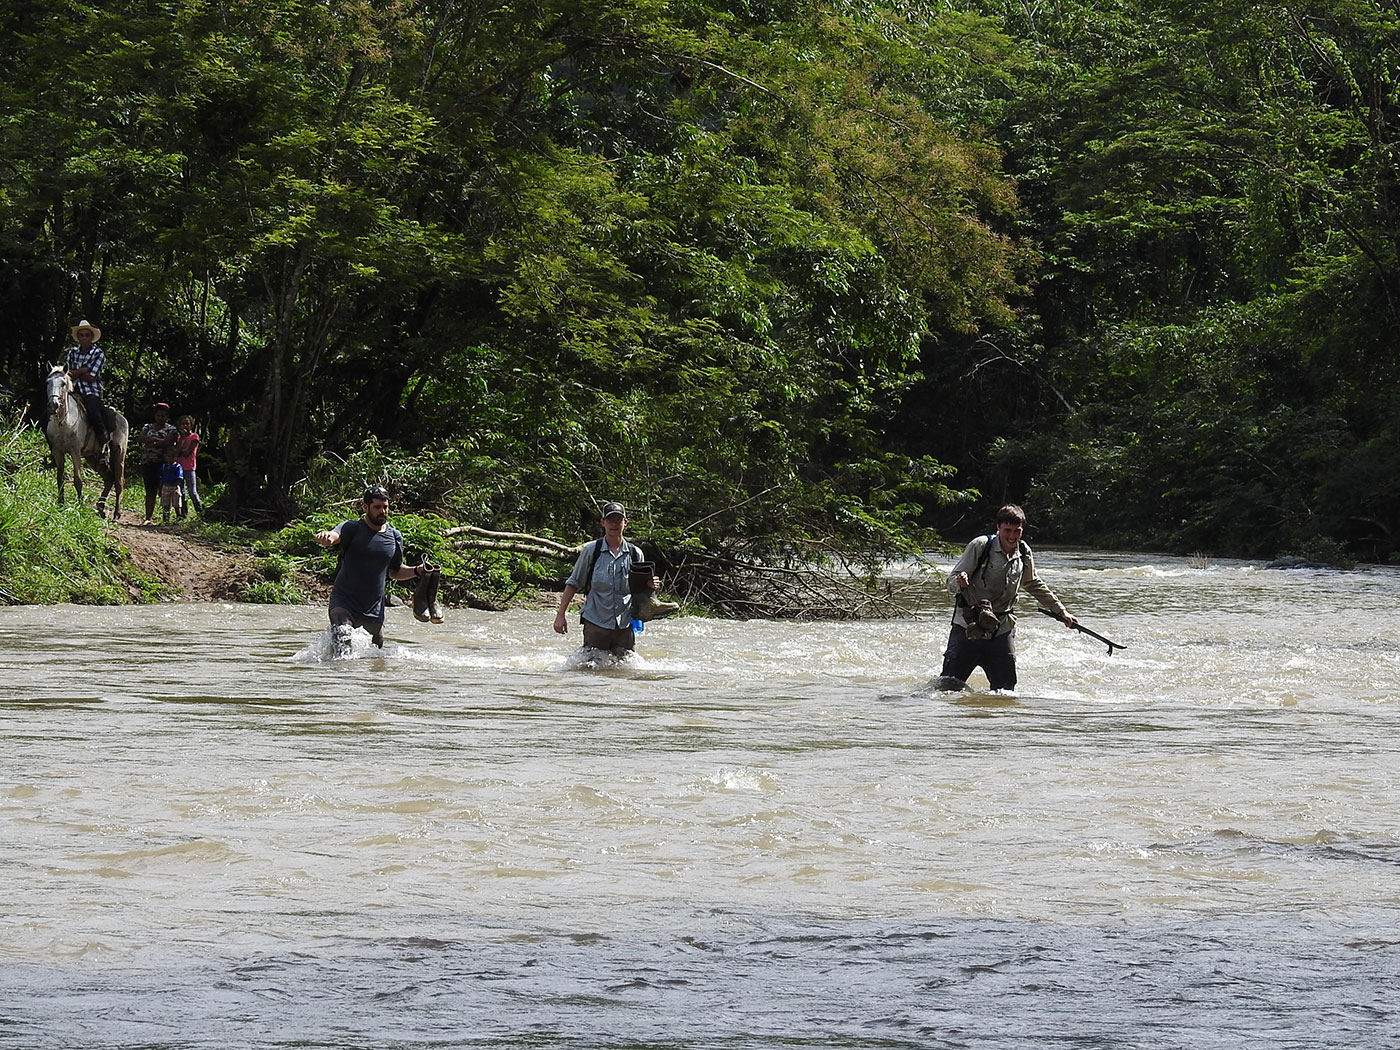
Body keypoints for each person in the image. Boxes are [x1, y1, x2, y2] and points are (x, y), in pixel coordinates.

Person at [938, 503, 1078, 692]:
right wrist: (960, 582)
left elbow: (1032, 583)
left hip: (1001, 630)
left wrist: (1061, 611)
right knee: (947, 688)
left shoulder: (1024, 552)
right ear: (998, 527)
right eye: (1007, 530)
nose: (1012, 536)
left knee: (1005, 693)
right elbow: (950, 582)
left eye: (1017, 531)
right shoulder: (980, 546)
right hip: (968, 628)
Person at [314, 485, 432, 654]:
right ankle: (335, 671)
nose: (382, 511)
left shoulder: (394, 536)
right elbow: (334, 536)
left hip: (373, 608)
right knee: (342, 640)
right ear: (365, 507)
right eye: (377, 507)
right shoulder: (352, 528)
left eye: (385, 507)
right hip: (344, 601)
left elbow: (395, 571)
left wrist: (418, 570)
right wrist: (326, 537)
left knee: (375, 657)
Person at [553, 501, 674, 658]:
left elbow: (641, 589)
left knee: (626, 668)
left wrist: (651, 585)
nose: (614, 524)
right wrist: (560, 615)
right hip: (596, 623)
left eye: (618, 520)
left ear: (625, 522)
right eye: (610, 520)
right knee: (591, 667)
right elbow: (573, 583)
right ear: (603, 523)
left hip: (624, 624)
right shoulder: (591, 551)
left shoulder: (635, 554)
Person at [64, 320, 110, 467]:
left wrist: (76, 373)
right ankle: (54, 447)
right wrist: (83, 370)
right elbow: (67, 374)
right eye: (81, 335)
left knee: (93, 411)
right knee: (55, 407)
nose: (84, 337)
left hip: (91, 390)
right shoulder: (72, 352)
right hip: (72, 389)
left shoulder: (98, 353)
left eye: (87, 335)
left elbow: (92, 377)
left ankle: (104, 444)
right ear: (78, 337)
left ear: (91, 337)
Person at [138, 402, 178, 525]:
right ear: (155, 416)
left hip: (165, 465)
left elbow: (168, 442)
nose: (160, 418)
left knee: (167, 490)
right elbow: (141, 438)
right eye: (158, 415)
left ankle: (167, 518)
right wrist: (158, 440)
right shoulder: (147, 427)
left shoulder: (172, 429)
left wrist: (152, 442)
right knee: (150, 491)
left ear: (167, 417)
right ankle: (148, 517)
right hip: (148, 462)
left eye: (163, 416)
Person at [173, 414, 203, 518]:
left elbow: (187, 452)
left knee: (192, 491)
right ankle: (183, 514)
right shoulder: (179, 438)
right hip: (179, 468)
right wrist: (182, 440)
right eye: (182, 424)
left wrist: (180, 452)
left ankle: (200, 511)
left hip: (189, 467)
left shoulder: (194, 437)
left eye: (187, 424)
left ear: (191, 425)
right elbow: (176, 452)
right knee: (181, 491)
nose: (185, 426)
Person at [157, 446, 183, 525]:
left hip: (174, 487)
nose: (170, 458)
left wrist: (175, 484)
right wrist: (160, 489)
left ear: (176, 457)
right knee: (165, 504)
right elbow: (161, 478)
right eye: (169, 456)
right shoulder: (164, 467)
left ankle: (179, 519)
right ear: (165, 456)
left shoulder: (178, 467)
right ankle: (166, 520)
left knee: (177, 504)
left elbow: (180, 478)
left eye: (173, 456)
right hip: (165, 486)